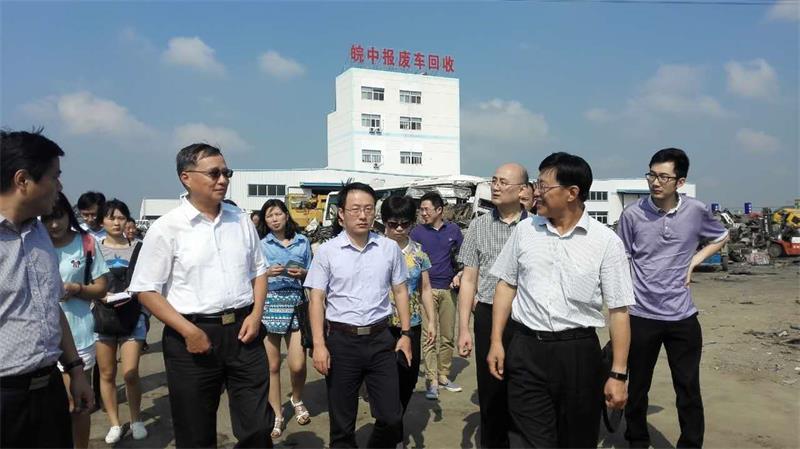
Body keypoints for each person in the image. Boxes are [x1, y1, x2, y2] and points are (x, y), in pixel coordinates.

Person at [128, 143, 273, 448]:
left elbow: (259, 271)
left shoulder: (240, 220)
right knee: (195, 431)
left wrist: (256, 315)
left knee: (258, 427)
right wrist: (188, 331)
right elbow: (145, 290)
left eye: (227, 173)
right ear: (186, 177)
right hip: (191, 337)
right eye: (214, 173)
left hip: (244, 332)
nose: (223, 180)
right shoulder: (166, 228)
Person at [486, 152, 634, 448]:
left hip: (577, 355)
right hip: (526, 349)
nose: (535, 192)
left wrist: (618, 374)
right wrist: (497, 341)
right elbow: (506, 285)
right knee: (532, 440)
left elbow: (619, 311)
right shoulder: (525, 231)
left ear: (572, 193)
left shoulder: (606, 242)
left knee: (577, 440)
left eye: (543, 186)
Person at [618, 148, 729, 449]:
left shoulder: (695, 211)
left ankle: (690, 444)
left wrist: (694, 261)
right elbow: (622, 257)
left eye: (663, 177)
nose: (655, 182)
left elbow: (721, 236)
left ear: (680, 182)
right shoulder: (632, 214)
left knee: (688, 388)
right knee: (638, 386)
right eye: (651, 175)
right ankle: (637, 440)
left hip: (682, 317)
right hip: (641, 315)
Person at [0, 129, 94, 448]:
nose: (60, 187)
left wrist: (75, 370)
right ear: (23, 180)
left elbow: (50, 306)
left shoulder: (39, 233)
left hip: (49, 388)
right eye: (55, 177)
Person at [304, 182, 412, 449]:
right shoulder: (327, 251)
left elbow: (400, 291)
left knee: (391, 417)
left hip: (381, 339)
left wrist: (406, 334)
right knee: (342, 424)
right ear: (341, 214)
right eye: (355, 209)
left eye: (368, 209)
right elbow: (316, 299)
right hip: (341, 341)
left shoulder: (388, 248)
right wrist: (319, 345)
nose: (363, 215)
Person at [456, 163, 529, 449]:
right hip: (487, 314)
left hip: (526, 318)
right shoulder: (479, 225)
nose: (496, 187)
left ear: (522, 189)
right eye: (493, 181)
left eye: (503, 182)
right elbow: (469, 280)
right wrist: (464, 328)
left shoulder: (536, 226)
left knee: (526, 390)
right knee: (491, 391)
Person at [42, 191, 110, 449]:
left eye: (58, 216)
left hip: (79, 333)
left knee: (78, 403)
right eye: (47, 219)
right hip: (42, 338)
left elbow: (101, 287)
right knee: (53, 407)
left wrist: (77, 289)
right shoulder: (33, 242)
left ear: (68, 215)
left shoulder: (86, 242)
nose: (54, 225)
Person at [256, 199, 313, 438]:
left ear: (286, 215)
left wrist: (303, 273)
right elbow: (253, 275)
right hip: (269, 304)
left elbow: (314, 274)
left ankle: (296, 398)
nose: (274, 219)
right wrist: (267, 273)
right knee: (272, 366)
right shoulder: (261, 244)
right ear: (265, 220)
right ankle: (277, 413)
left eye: (278, 214)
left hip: (297, 304)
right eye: (269, 216)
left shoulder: (303, 241)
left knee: (298, 364)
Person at [95, 199, 149, 443]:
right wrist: (100, 294)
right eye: (111, 217)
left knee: (130, 372)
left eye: (121, 217)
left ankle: (136, 419)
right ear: (102, 221)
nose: (117, 222)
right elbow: (88, 280)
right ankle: (115, 423)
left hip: (132, 316)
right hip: (102, 317)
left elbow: (147, 279)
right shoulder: (93, 249)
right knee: (107, 373)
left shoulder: (139, 247)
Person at [381, 195, 437, 413]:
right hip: (381, 324)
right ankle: (389, 422)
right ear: (384, 222)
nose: (399, 229)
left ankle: (396, 418)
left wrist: (431, 321)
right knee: (385, 379)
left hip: (411, 324)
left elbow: (425, 288)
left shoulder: (419, 252)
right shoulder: (375, 250)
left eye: (405, 224)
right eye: (393, 224)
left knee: (409, 376)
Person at [409, 192, 463, 399]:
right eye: (421, 210)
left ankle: (443, 375)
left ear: (439, 210)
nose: (423, 213)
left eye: (426, 209)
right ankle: (431, 380)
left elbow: (463, 257)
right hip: (426, 290)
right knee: (429, 336)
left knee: (447, 336)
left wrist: (459, 274)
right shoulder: (416, 233)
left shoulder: (454, 230)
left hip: (449, 289)